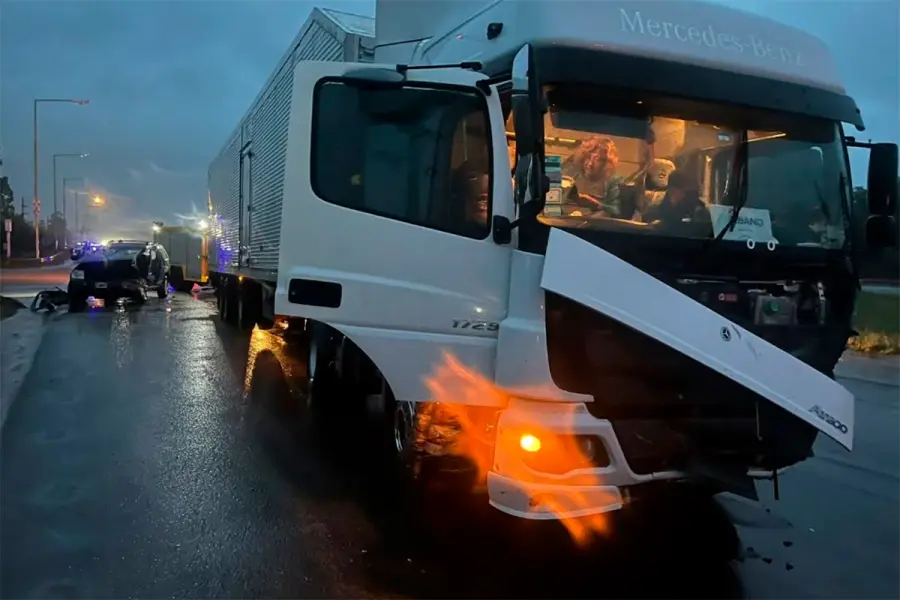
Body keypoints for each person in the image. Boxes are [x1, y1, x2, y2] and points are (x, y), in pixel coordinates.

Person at [562, 136, 624, 217]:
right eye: (588, 157)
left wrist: (594, 204)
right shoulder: (571, 174)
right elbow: (551, 207)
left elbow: (617, 212)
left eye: (597, 159)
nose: (590, 164)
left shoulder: (614, 182)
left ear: (606, 163)